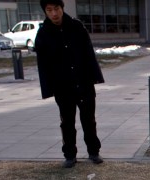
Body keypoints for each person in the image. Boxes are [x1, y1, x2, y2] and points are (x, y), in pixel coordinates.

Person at [35, 0, 104, 168]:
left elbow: (89, 54)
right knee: (67, 122)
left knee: (89, 120)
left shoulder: (77, 27)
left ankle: (94, 151)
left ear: (62, 8)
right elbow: (43, 64)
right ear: (45, 12)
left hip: (84, 83)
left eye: (56, 9)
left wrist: (95, 77)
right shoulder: (43, 33)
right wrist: (48, 88)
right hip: (63, 87)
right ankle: (70, 154)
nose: (54, 13)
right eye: (49, 10)